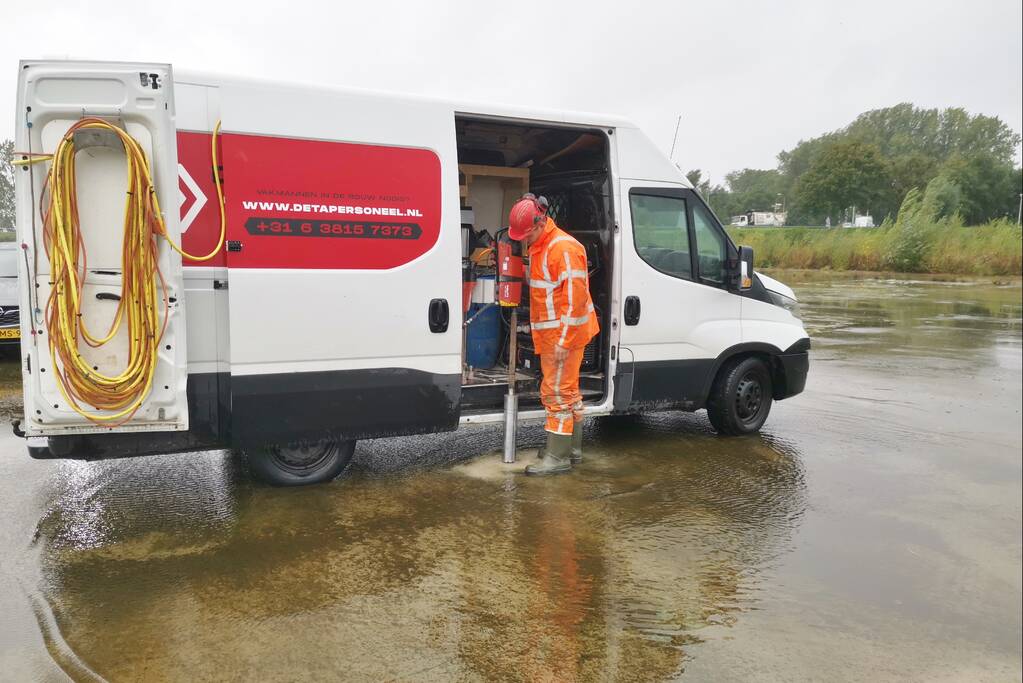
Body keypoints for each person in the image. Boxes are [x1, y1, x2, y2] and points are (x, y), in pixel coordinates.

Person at [508, 194, 599, 475]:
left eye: (526, 235)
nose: (524, 241)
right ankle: (570, 449)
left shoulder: (563, 248)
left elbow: (575, 299)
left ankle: (557, 457)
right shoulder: (543, 245)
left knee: (556, 393)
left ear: (539, 223)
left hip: (563, 337)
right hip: (556, 335)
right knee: (569, 392)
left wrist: (563, 341)